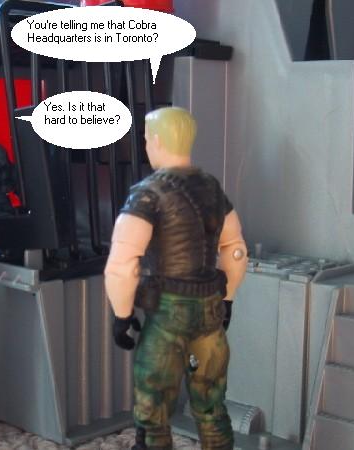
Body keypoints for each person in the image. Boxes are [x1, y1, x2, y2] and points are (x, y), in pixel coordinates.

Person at [104, 107, 248, 450]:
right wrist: (228, 299)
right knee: (212, 404)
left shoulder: (147, 193)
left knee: (153, 405)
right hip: (210, 311)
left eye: (145, 140)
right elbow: (236, 250)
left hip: (168, 314)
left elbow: (122, 265)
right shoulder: (212, 188)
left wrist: (122, 314)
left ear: (156, 140)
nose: (146, 146)